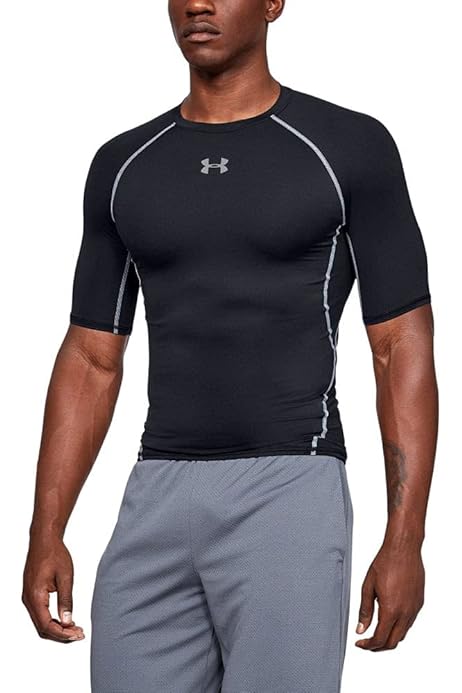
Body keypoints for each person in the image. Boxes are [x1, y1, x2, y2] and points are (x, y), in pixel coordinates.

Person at [22, 1, 438, 691]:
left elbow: (401, 346)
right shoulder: (124, 164)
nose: (198, 4)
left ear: (274, 3)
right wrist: (46, 529)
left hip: (289, 489)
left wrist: (406, 539)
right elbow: (91, 358)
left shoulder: (348, 146)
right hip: (156, 491)